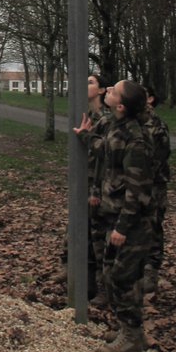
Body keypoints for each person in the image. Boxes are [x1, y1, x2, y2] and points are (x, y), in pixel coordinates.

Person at [96, 80, 154, 352]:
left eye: (114, 91)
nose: (107, 90)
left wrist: (123, 227)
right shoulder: (115, 126)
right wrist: (86, 137)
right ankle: (125, 328)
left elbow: (138, 189)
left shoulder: (136, 139)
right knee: (111, 274)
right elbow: (107, 152)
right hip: (114, 215)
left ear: (121, 105)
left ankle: (133, 335)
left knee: (124, 277)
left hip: (132, 223)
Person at [72, 73, 112, 307]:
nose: (84, 86)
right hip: (86, 183)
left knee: (99, 240)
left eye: (90, 82)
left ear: (101, 90)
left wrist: (97, 189)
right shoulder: (84, 114)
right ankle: (83, 282)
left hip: (100, 186)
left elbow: (105, 156)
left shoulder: (105, 119)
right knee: (83, 234)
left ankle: (103, 288)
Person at [142, 87, 171, 296]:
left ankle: (151, 273)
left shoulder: (157, 126)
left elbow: (157, 159)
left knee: (152, 227)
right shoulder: (133, 122)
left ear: (150, 99)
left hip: (153, 186)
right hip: (136, 185)